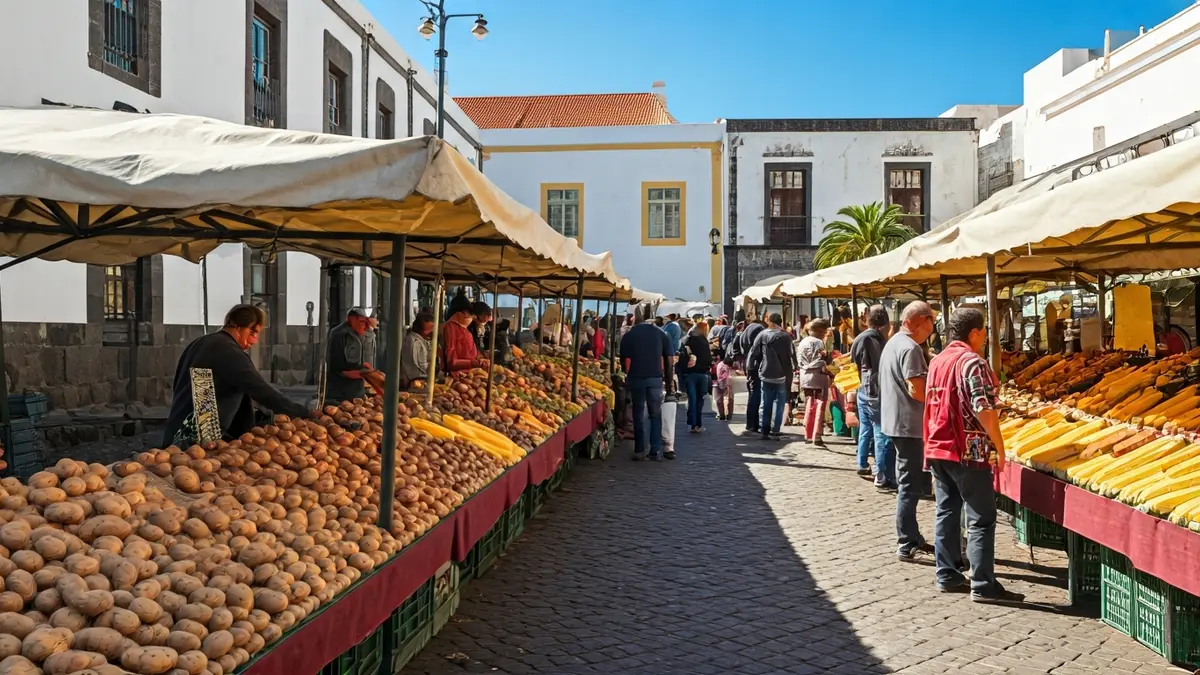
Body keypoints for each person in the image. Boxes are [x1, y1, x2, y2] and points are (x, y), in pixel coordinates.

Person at [925, 308, 1024, 604]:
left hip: (937, 444)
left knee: (946, 511)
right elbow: (983, 408)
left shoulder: (937, 360)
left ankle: (947, 574)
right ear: (975, 333)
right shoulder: (972, 362)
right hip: (967, 449)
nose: (985, 337)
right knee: (981, 517)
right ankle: (982, 583)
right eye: (984, 332)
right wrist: (999, 446)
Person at [163, 304, 309, 447]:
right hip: (193, 441)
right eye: (252, 332)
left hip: (177, 433)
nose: (254, 340)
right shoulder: (228, 350)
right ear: (235, 325)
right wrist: (302, 412)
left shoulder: (200, 343)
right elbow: (260, 389)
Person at [880, 301, 937, 562]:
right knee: (909, 486)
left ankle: (912, 535)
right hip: (909, 425)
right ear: (920, 321)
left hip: (896, 422)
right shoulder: (911, 348)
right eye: (931, 322)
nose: (932, 329)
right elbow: (917, 390)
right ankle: (906, 542)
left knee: (908, 482)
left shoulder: (893, 343)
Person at [852, 305, 897, 492]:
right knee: (880, 433)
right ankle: (881, 474)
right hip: (875, 392)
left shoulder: (860, 337)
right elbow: (881, 365)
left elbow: (856, 362)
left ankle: (862, 463)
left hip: (863, 389)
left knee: (865, 428)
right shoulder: (874, 339)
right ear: (883, 324)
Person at [620, 304, 673, 461]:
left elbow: (624, 361)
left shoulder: (629, 335)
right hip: (655, 378)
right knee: (655, 414)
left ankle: (639, 449)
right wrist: (669, 383)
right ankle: (655, 450)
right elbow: (669, 361)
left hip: (636, 377)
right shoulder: (662, 334)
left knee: (638, 414)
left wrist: (627, 374)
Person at [747, 312, 797, 441]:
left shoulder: (762, 335)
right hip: (782, 374)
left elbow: (754, 352)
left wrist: (751, 368)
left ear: (769, 321)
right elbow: (792, 355)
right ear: (780, 322)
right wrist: (794, 369)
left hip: (765, 373)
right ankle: (775, 429)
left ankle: (764, 429)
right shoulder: (786, 336)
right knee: (780, 403)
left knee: (765, 402)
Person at [326, 308, 374, 405]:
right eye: (362, 322)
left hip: (358, 392)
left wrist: (368, 370)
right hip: (338, 393)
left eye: (366, 322)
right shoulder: (339, 334)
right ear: (352, 319)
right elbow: (338, 368)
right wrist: (365, 374)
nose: (365, 326)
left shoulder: (366, 335)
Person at [796, 319, 831, 446]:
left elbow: (799, 360)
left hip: (805, 376)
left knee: (809, 404)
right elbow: (821, 359)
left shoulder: (802, 342)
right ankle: (817, 434)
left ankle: (808, 433)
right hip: (818, 376)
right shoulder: (818, 342)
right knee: (819, 406)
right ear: (819, 330)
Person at [680, 321, 713, 432]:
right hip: (703, 374)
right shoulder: (704, 341)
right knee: (699, 400)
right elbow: (708, 359)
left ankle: (692, 423)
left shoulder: (687, 340)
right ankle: (697, 424)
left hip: (690, 374)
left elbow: (682, 357)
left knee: (692, 399)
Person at [442, 295, 488, 374]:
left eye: (469, 313)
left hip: (471, 372)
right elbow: (452, 362)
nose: (469, 316)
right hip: (459, 374)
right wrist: (473, 363)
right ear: (456, 313)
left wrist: (481, 357)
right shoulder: (450, 327)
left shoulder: (465, 328)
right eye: (465, 313)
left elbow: (471, 351)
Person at [738, 318, 767, 435]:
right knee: (756, 393)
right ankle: (754, 424)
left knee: (752, 393)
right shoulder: (758, 330)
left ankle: (751, 424)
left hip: (748, 365)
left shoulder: (744, 333)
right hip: (756, 366)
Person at [400, 312, 434, 386]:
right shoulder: (415, 342)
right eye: (429, 330)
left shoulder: (420, 339)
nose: (431, 333)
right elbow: (422, 367)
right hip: (415, 380)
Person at [714, 356, 734, 421]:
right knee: (728, 400)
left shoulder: (719, 364)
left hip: (718, 383)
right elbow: (728, 376)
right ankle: (728, 415)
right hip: (726, 383)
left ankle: (721, 415)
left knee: (719, 400)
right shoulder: (725, 367)